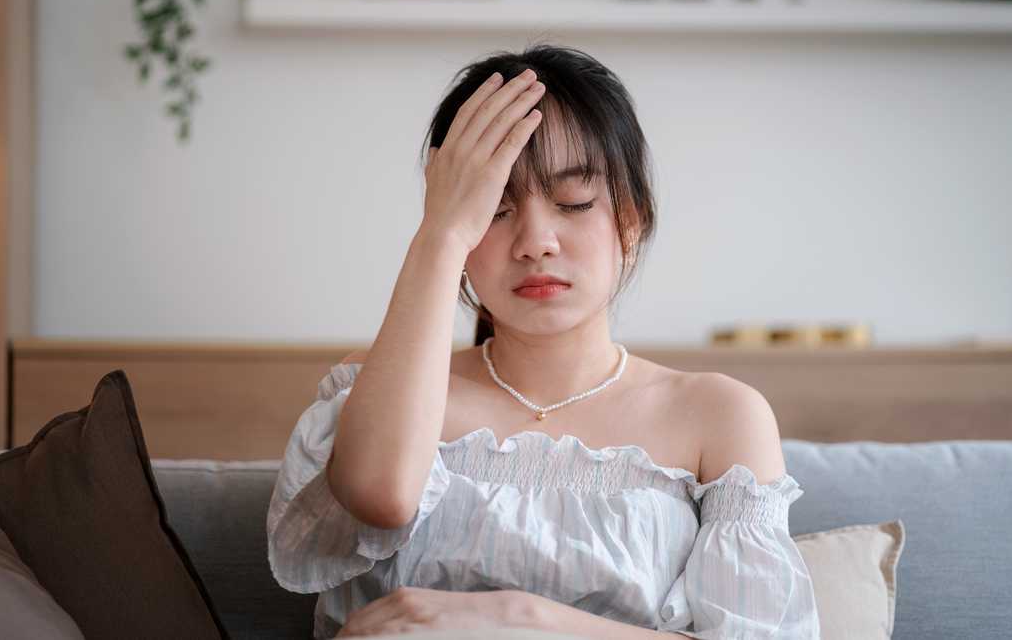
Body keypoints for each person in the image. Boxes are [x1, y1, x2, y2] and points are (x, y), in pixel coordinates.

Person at [267, 44, 821, 639]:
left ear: (630, 220)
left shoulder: (718, 414)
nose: (536, 241)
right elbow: (382, 497)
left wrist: (521, 617)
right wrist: (441, 235)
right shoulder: (374, 386)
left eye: (573, 202)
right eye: (494, 209)